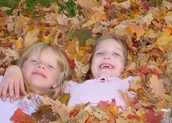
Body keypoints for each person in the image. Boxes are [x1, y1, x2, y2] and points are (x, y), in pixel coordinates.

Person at [0, 34, 137, 108]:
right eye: (100, 53)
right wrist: (13, 69)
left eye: (116, 54)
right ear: (90, 64)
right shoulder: (73, 86)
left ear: (125, 65)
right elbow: (47, 80)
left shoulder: (130, 83)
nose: (107, 56)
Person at [0, 42, 71, 123]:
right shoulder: (5, 82)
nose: (41, 66)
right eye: (34, 61)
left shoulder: (49, 109)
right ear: (22, 66)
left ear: (56, 81)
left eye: (50, 66)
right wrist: (12, 69)